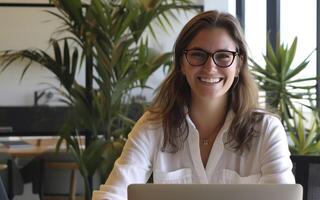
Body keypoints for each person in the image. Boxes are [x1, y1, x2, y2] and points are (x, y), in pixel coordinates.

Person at [92, 10, 295, 200]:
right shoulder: (153, 126)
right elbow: (113, 194)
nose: (210, 67)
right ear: (182, 62)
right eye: (198, 54)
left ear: (239, 64)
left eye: (223, 56)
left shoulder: (266, 130)